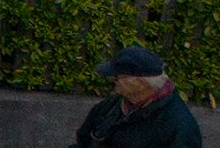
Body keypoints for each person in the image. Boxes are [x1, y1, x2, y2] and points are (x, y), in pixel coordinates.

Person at [73, 47, 202, 147]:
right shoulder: (113, 104)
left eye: (117, 77)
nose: (112, 80)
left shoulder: (180, 128)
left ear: (140, 84)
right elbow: (83, 139)